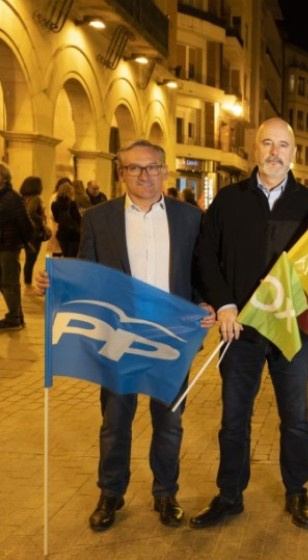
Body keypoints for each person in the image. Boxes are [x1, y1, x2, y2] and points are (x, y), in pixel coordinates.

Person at [36, 140, 215, 531]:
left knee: (169, 421)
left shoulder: (189, 218)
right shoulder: (99, 218)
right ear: (121, 174)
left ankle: (166, 493)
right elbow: (88, 273)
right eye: (134, 168)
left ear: (165, 171)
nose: (144, 175)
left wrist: (204, 302)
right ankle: (111, 493)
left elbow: (201, 271)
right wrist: (58, 284)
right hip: (117, 336)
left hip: (170, 334)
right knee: (115, 419)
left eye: (152, 168)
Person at [191, 117, 308, 529]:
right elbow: (204, 255)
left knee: (296, 418)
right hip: (241, 331)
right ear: (255, 149)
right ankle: (230, 495)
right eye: (267, 144)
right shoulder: (229, 200)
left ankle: (297, 491)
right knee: (234, 417)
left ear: (293, 153)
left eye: (282, 145)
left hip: (291, 330)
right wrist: (225, 302)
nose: (274, 153)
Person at [0, 162, 34, 331]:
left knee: (9, 282)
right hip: (2, 245)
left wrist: (28, 242)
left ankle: (14, 318)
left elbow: (25, 224)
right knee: (4, 282)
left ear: (3, 178)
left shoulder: (12, 198)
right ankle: (17, 316)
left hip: (9, 247)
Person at [19, 176, 50, 295]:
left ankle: (27, 285)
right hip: (34, 233)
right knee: (31, 259)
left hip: (26, 232)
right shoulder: (36, 199)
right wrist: (42, 221)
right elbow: (31, 213)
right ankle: (28, 286)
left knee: (29, 259)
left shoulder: (23, 198)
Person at [51, 182, 82, 257]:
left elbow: (56, 219)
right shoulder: (72, 204)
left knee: (66, 256)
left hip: (61, 234)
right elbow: (78, 219)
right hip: (73, 235)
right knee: (72, 257)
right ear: (70, 192)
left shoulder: (54, 204)